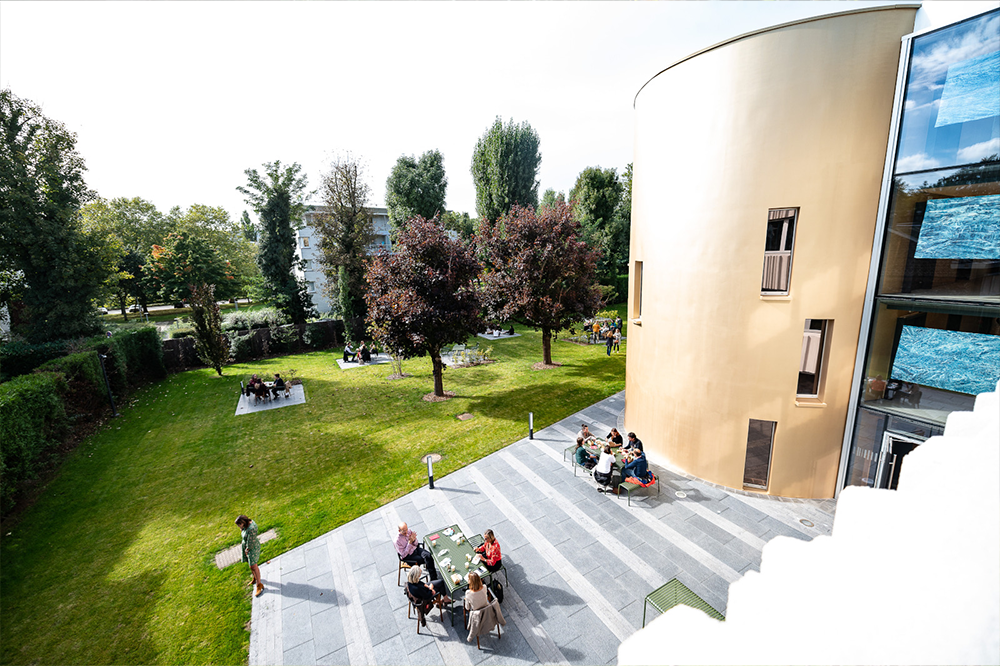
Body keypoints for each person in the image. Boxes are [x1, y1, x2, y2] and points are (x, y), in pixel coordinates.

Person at [236, 514, 264, 597]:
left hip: (251, 548)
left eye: (239, 525)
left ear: (243, 522)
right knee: (250, 565)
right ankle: (255, 578)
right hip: (247, 547)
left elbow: (251, 542)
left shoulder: (251, 529)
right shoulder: (246, 526)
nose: (239, 527)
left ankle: (259, 584)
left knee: (253, 566)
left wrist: (247, 549)